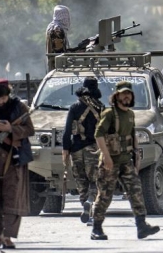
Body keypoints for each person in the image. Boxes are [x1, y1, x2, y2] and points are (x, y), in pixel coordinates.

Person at [91, 81, 160, 240]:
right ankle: (96, 228)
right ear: (116, 96)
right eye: (123, 94)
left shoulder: (130, 114)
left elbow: (132, 136)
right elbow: (99, 134)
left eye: (129, 93)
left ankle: (141, 226)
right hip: (110, 162)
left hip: (126, 161)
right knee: (105, 195)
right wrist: (106, 157)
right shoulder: (109, 114)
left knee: (136, 191)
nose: (127, 96)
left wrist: (137, 158)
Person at [0, 79, 35, 249]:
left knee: (12, 198)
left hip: (14, 159)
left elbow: (30, 129)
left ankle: (8, 237)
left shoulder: (20, 107)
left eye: (3, 98)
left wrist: (10, 130)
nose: (1, 102)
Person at [62, 77, 103, 225]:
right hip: (94, 149)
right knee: (95, 181)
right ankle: (91, 203)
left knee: (81, 182)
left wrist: (65, 150)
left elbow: (67, 131)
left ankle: (85, 203)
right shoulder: (100, 107)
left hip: (76, 150)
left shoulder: (74, 107)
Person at [46, 5, 71, 71]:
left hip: (54, 63)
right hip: (58, 66)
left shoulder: (52, 25)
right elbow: (59, 52)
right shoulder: (57, 30)